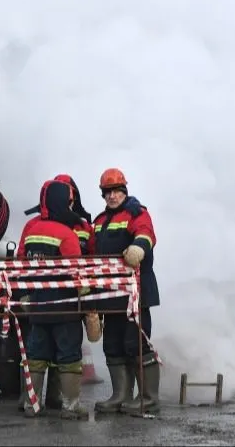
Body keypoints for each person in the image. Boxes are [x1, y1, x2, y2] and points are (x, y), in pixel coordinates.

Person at [16, 179, 89, 420]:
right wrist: (88, 300)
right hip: (64, 308)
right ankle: (70, 407)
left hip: (37, 307)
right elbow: (76, 273)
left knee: (36, 356)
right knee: (68, 357)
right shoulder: (66, 234)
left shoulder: (32, 231)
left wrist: (26, 295)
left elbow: (21, 264)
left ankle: (31, 405)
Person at [91, 168, 161, 416]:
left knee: (136, 343)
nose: (111, 196)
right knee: (113, 345)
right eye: (107, 192)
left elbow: (146, 233)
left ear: (124, 191)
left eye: (116, 191)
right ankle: (120, 395)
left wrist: (138, 248)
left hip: (136, 293)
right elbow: (91, 252)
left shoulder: (136, 212)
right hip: (111, 294)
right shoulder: (99, 222)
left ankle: (148, 398)